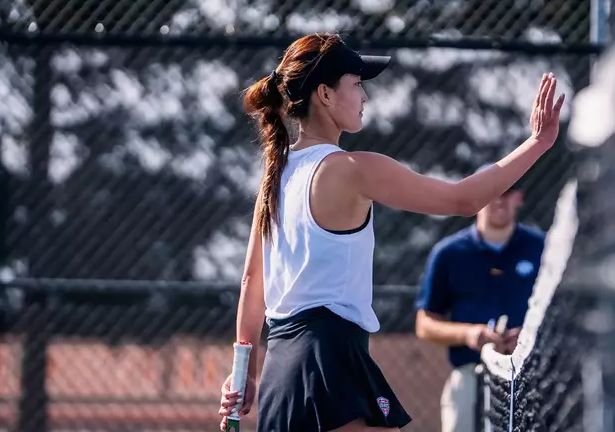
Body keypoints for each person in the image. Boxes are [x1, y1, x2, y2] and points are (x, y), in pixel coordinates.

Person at [216, 31, 565, 432]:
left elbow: (251, 280)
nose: (365, 96)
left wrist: (246, 375)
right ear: (325, 95)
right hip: (328, 359)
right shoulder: (352, 169)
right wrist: (538, 142)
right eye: (357, 84)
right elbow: (463, 201)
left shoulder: (273, 178)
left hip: (280, 372)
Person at [413, 174, 546, 432]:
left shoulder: (542, 247)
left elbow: (560, 313)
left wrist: (530, 336)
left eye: (507, 193)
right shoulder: (449, 253)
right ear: (477, 198)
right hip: (470, 374)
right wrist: (469, 334)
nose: (499, 201)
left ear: (518, 198)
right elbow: (425, 324)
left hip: (531, 378)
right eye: (491, 193)